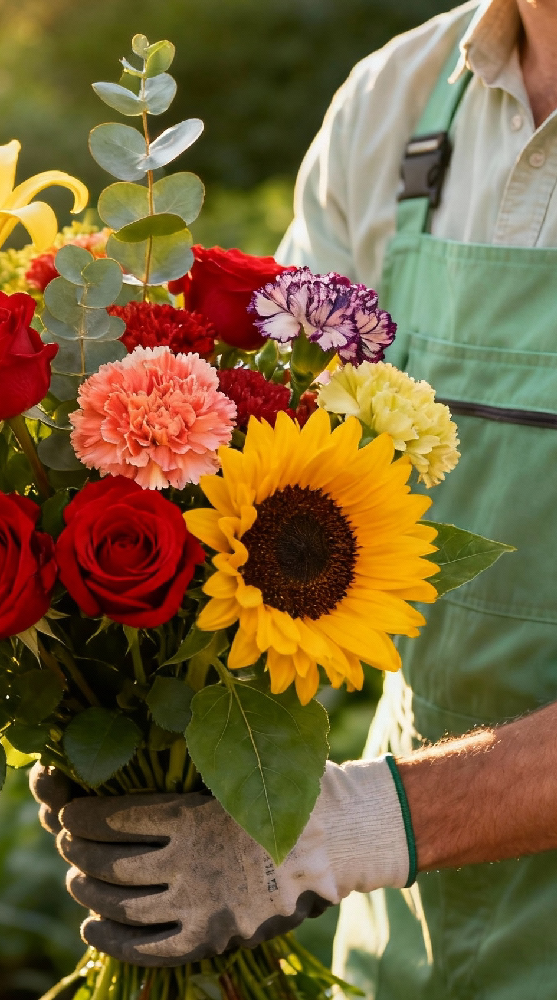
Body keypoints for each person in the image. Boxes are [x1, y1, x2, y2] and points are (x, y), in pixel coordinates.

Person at [33, 1, 557, 996]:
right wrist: (145, 715)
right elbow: (268, 452)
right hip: (405, 943)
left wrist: (351, 828)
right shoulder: (402, 100)